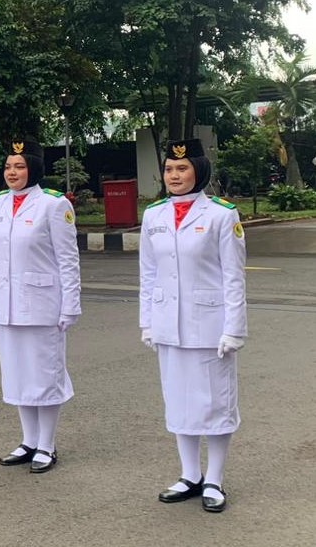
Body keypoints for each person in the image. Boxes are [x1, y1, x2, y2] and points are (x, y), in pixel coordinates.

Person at [140, 138, 247, 513]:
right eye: (169, 169)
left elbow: (233, 277)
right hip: (168, 324)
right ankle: (189, 475)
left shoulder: (221, 214)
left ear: (198, 171)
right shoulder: (153, 215)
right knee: (179, 402)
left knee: (215, 403)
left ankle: (214, 478)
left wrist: (234, 328)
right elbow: (148, 273)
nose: (174, 175)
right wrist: (147, 321)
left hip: (209, 326)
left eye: (182, 168)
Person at [0, 138, 81, 473]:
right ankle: (28, 440)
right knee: (17, 373)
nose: (12, 172)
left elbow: (68, 260)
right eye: (8, 166)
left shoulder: (53, 204)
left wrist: (70, 305)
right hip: (8, 303)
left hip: (43, 304)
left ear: (34, 169)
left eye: (20, 166)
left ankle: (47, 445)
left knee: (44, 374)